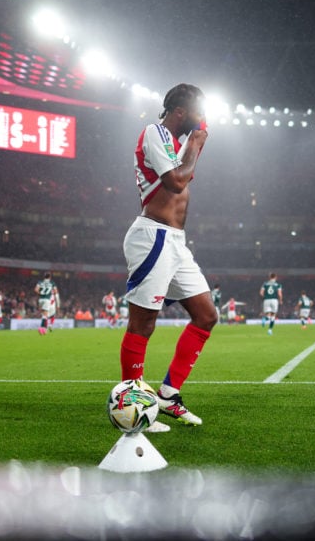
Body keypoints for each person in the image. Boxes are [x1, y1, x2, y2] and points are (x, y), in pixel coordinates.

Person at [119, 83, 215, 429]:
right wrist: (197, 145)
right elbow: (176, 182)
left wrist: (192, 146)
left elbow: (181, 178)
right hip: (152, 237)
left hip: (176, 242)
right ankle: (132, 408)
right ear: (179, 112)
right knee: (143, 324)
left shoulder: (175, 142)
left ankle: (168, 395)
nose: (201, 118)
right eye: (196, 111)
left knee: (206, 315)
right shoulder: (154, 133)